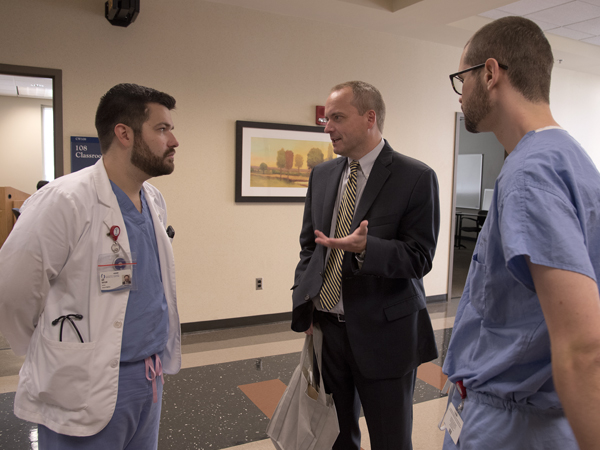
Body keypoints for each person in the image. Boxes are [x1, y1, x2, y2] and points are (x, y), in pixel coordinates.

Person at [442, 17, 600, 450]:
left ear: (490, 74)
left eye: (462, 80)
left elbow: (583, 348)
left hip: (513, 426)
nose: (460, 96)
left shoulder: (531, 174)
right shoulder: (571, 160)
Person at [0, 83, 182, 449]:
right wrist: (49, 348)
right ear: (124, 134)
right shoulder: (64, 200)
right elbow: (12, 291)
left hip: (148, 378)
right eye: (162, 129)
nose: (174, 140)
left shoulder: (153, 200)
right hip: (83, 381)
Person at [291, 80, 440, 450]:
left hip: (385, 336)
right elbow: (310, 247)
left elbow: (420, 257)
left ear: (369, 117)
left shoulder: (415, 177)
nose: (328, 128)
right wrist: (305, 300)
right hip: (329, 332)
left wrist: (366, 249)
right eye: (326, 119)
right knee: (337, 437)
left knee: (391, 439)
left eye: (337, 117)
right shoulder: (323, 175)